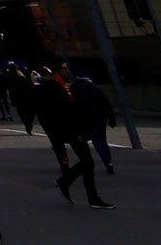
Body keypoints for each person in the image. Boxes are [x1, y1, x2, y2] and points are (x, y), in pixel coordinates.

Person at [34, 65, 113, 209]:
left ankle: (69, 184)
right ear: (56, 71)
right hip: (73, 131)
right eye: (64, 68)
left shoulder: (61, 86)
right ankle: (87, 195)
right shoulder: (55, 87)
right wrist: (77, 132)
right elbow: (65, 112)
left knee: (88, 163)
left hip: (73, 129)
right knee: (88, 163)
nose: (67, 70)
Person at [70, 70, 118, 173]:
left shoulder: (74, 88)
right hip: (99, 119)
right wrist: (111, 118)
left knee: (83, 142)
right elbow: (106, 104)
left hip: (84, 120)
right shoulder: (95, 89)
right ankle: (108, 161)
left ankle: (85, 163)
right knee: (101, 141)